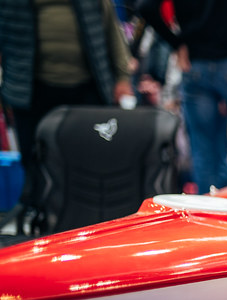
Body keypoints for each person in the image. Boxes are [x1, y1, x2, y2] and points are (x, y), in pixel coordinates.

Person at [0, 0, 135, 230]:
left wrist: (122, 76)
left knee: (87, 163)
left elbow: (111, 29)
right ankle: (40, 223)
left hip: (86, 89)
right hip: (33, 91)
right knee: (35, 165)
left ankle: (86, 224)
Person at [137, 0, 227, 192]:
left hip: (196, 66)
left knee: (205, 154)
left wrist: (177, 43)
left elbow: (146, 6)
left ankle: (212, 217)